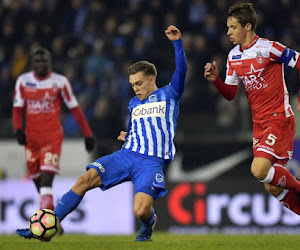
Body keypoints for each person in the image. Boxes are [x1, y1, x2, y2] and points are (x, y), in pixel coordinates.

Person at [16, 24, 187, 242]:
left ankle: (148, 222)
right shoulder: (134, 103)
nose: (135, 88)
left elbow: (181, 71)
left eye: (139, 83)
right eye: (132, 84)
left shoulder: (170, 94)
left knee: (141, 211)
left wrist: (177, 43)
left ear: (152, 79)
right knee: (84, 180)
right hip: (126, 155)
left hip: (150, 162)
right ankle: (46, 228)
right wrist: (130, 136)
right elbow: (141, 127)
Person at [204, 2, 300, 215]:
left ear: (247, 26)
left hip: (279, 118)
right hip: (259, 126)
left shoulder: (269, 48)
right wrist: (215, 80)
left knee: (258, 169)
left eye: (233, 27)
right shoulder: (233, 56)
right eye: (228, 27)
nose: (228, 32)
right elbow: (230, 94)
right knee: (272, 186)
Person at [12, 48, 95, 213]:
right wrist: (18, 130)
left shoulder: (60, 82)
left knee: (46, 177)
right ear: (32, 63)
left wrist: (88, 134)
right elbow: (17, 108)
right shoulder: (23, 81)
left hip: (52, 136)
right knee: (37, 180)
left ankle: (48, 218)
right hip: (32, 138)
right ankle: (52, 216)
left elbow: (75, 108)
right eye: (37, 61)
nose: (41, 64)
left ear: (49, 63)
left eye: (44, 61)